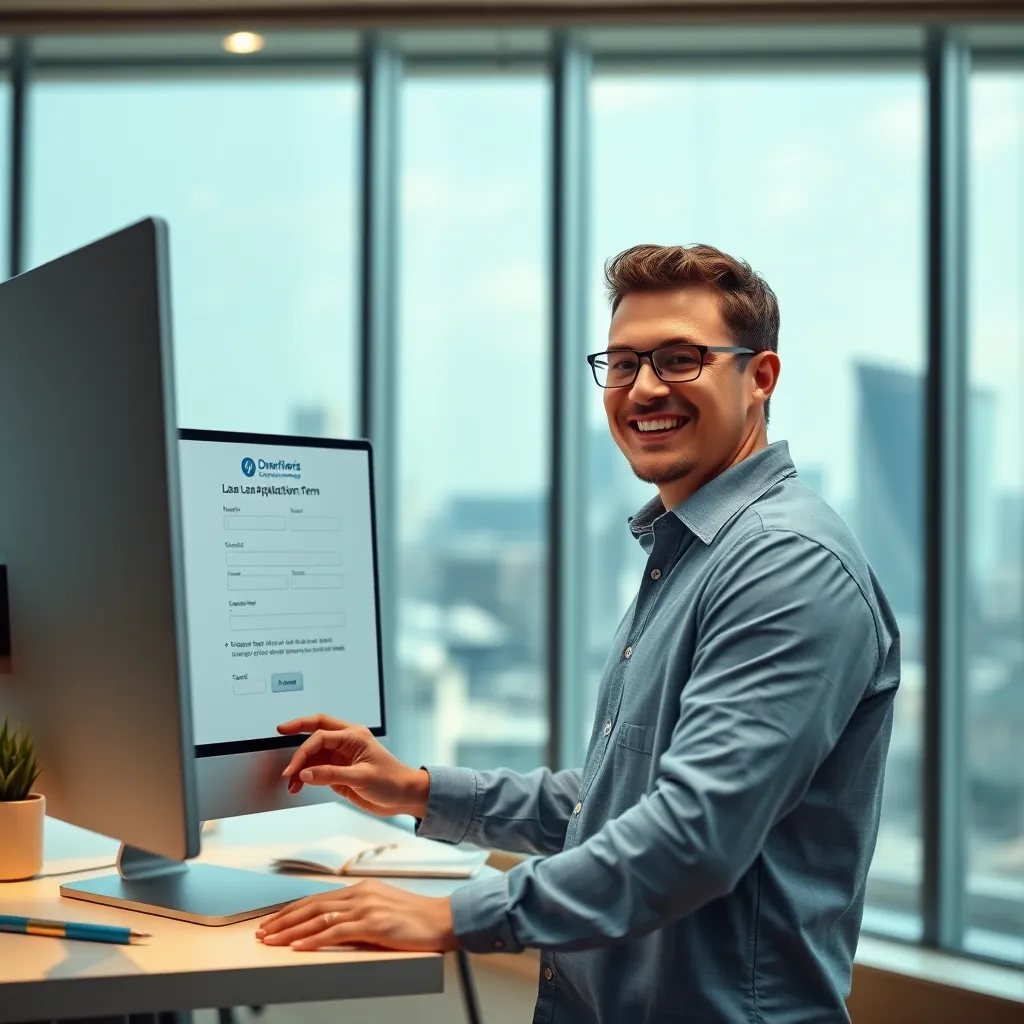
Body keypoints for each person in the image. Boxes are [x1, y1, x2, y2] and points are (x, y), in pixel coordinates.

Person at [256, 243, 901, 1023]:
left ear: (760, 377)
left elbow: (694, 836)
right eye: (624, 364)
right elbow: (617, 803)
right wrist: (417, 790)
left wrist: (451, 917)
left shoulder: (784, 566)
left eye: (679, 358)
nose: (644, 388)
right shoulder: (692, 552)